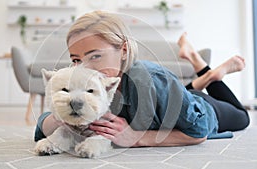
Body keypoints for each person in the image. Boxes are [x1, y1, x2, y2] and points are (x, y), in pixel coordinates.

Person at [34, 11, 250, 147]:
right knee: (169, 97)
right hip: (172, 98)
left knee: (242, 117)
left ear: (124, 50)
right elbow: (42, 127)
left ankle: (208, 71)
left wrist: (137, 137)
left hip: (204, 108)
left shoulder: (151, 79)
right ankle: (203, 78)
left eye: (95, 56)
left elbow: (198, 131)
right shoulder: (87, 86)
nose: (85, 67)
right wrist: (63, 116)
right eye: (76, 60)